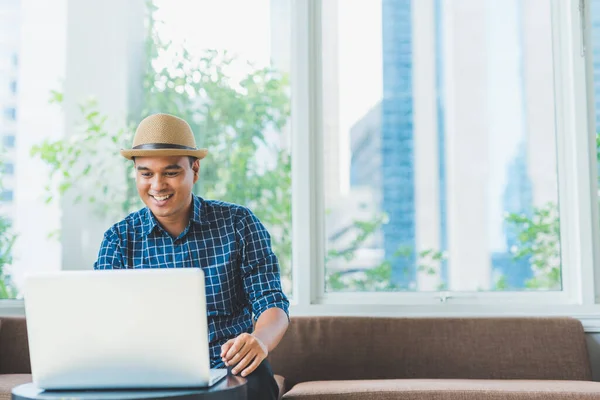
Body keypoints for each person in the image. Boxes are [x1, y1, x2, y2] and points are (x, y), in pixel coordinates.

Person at [93, 113, 290, 400]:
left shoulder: (238, 223)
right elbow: (104, 317)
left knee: (256, 381)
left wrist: (258, 340)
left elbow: (271, 302)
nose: (157, 185)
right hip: (150, 370)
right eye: (146, 173)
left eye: (171, 172)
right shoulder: (119, 239)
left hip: (232, 368)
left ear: (194, 170)